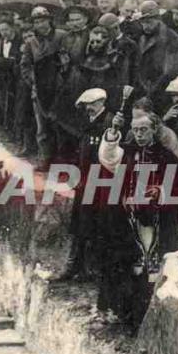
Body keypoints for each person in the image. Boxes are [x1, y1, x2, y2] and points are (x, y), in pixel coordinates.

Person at [98, 111, 178, 327]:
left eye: (143, 130)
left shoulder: (166, 156)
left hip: (158, 223)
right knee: (129, 268)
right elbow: (108, 157)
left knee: (153, 272)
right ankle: (127, 318)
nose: (138, 134)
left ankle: (150, 322)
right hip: (131, 223)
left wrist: (159, 193)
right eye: (135, 130)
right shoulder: (129, 152)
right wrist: (112, 133)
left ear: (154, 130)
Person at [56, 88, 115, 282]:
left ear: (100, 103)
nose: (87, 109)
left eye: (90, 105)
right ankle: (77, 267)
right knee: (80, 225)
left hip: (100, 185)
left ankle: (90, 269)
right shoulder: (90, 123)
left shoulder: (109, 123)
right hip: (85, 183)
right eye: (85, 106)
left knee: (95, 226)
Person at [20, 6, 68, 169]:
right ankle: (45, 159)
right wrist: (34, 81)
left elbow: (68, 60)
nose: (40, 24)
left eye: (43, 20)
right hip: (39, 92)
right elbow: (25, 65)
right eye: (36, 22)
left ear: (49, 20)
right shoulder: (31, 43)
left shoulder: (62, 36)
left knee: (60, 126)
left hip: (59, 90)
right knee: (42, 128)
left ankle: (61, 161)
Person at [136, 0, 178, 112]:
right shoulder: (143, 38)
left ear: (158, 19)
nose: (145, 26)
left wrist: (151, 92)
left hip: (164, 95)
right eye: (142, 22)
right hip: (144, 93)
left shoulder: (172, 38)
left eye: (149, 22)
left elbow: (171, 72)